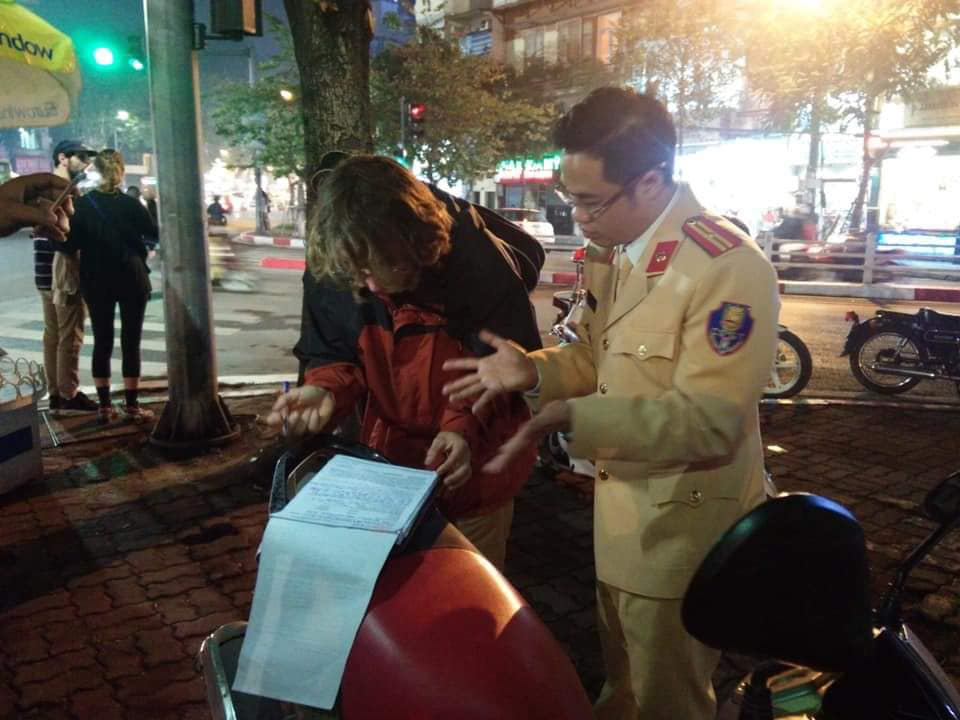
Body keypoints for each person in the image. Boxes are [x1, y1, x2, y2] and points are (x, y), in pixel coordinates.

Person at [442, 87, 780, 720]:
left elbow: (712, 422)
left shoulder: (726, 267)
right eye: (569, 199)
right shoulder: (619, 251)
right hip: (621, 516)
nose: (578, 218)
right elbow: (596, 356)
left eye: (590, 202)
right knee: (621, 689)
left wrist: (577, 421)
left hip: (680, 529)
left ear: (650, 181)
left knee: (666, 701)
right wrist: (533, 369)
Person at [268, 154, 544, 571]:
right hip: (395, 468)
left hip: (479, 471)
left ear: (418, 245)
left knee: (469, 591)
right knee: (403, 587)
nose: (371, 285)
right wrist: (323, 389)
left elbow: (506, 375)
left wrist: (461, 430)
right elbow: (332, 352)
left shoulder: (479, 269)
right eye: (359, 273)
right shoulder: (337, 257)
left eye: (386, 267)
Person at [58, 149, 159, 423]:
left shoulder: (82, 205)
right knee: (131, 342)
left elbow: (68, 245)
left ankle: (104, 407)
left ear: (96, 172)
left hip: (96, 279)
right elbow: (153, 233)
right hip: (132, 277)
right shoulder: (131, 204)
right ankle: (132, 406)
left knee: (102, 341)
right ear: (121, 172)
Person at [35, 140, 100, 413]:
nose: (86, 162)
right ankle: (68, 394)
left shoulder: (41, 188)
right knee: (70, 336)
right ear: (63, 158)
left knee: (53, 335)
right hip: (63, 272)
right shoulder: (64, 191)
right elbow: (69, 236)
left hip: (43, 273)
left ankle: (55, 393)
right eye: (81, 157)